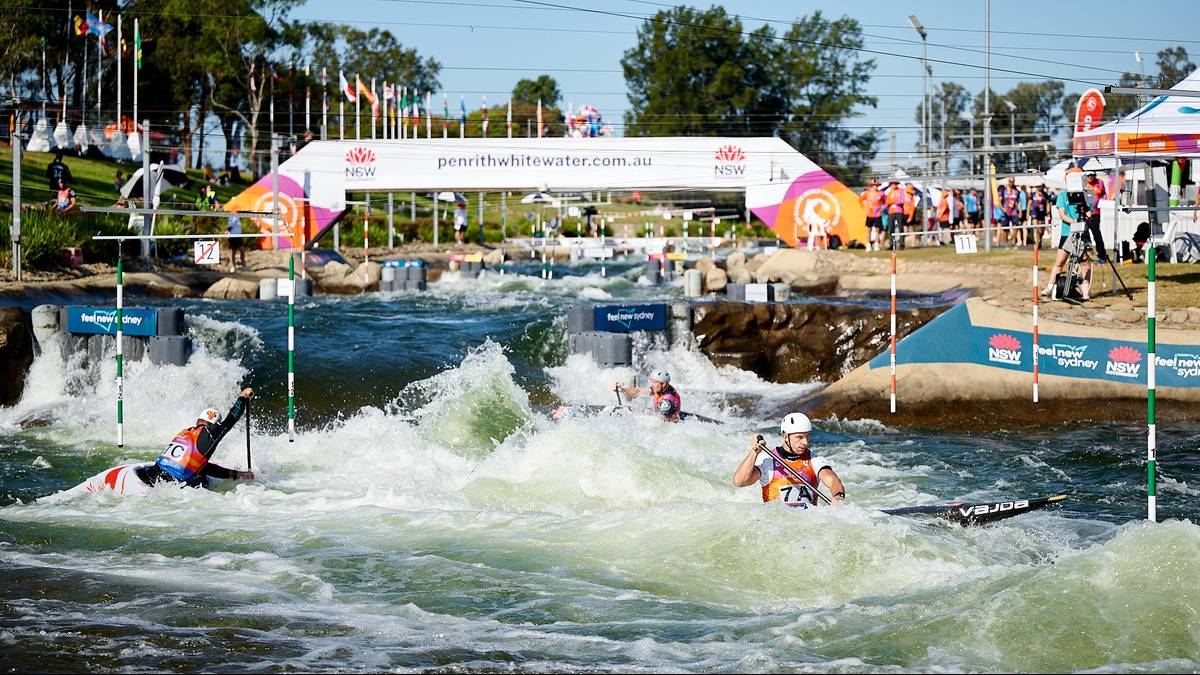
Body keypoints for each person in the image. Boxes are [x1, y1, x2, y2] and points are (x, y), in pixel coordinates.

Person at [138, 388, 256, 488]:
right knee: (205, 481)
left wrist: (237, 474)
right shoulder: (210, 433)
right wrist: (242, 397)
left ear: (198, 421)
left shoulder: (185, 432)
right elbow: (231, 419)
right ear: (214, 424)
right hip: (173, 484)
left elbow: (202, 467)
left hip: (153, 473)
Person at [731, 412, 845, 508]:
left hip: (808, 523)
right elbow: (739, 481)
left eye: (807, 436)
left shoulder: (814, 459)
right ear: (785, 437)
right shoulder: (768, 459)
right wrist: (754, 452)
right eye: (800, 437)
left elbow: (834, 482)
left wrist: (838, 497)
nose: (805, 442)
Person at [1042, 177, 1083, 299]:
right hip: (1067, 233)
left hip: (1081, 234)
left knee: (1080, 263)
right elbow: (1062, 214)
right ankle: (1050, 286)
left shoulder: (1083, 195)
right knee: (1060, 262)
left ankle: (1079, 289)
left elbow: (1089, 211)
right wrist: (1074, 222)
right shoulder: (1062, 196)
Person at [614, 370, 681, 422]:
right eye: (652, 382)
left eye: (654, 382)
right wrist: (622, 389)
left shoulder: (669, 399)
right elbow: (637, 391)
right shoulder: (659, 389)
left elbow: (671, 419)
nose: (652, 385)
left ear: (663, 384)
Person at [859, 179, 886, 251]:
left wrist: (882, 208)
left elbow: (885, 202)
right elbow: (860, 200)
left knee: (877, 229)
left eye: (876, 185)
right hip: (870, 214)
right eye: (874, 185)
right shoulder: (867, 193)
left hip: (878, 214)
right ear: (871, 186)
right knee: (869, 229)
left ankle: (876, 244)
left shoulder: (881, 193)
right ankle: (868, 245)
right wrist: (865, 208)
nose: (875, 187)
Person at [884, 180, 908, 250]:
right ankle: (892, 244)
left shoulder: (901, 191)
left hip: (899, 211)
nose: (893, 185)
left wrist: (893, 202)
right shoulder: (890, 192)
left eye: (895, 184)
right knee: (891, 228)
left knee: (900, 227)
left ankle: (901, 244)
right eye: (892, 184)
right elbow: (887, 203)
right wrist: (893, 202)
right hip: (891, 212)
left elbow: (902, 201)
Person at [997, 176, 1021, 247]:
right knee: (1005, 229)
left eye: (1013, 182)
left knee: (1016, 227)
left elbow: (1019, 201)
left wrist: (1020, 211)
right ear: (1008, 181)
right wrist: (1002, 209)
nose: (1011, 183)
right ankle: (1005, 243)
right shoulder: (1003, 190)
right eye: (1010, 181)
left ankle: (1012, 241)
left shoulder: (1016, 191)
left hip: (1014, 212)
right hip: (1006, 212)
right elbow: (999, 201)